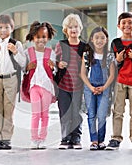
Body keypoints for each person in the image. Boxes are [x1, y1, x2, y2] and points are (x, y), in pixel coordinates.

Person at [106, 12, 132, 151]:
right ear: (119, 26)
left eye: (130, 22)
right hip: (119, 81)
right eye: (123, 23)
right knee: (117, 111)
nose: (127, 25)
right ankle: (115, 138)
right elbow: (111, 64)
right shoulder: (115, 43)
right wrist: (118, 60)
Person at [0, 14, 26, 150]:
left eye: (6, 27)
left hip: (11, 79)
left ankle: (6, 138)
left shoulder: (16, 44)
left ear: (12, 28)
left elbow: (23, 63)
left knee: (9, 109)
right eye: (0, 27)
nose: (3, 30)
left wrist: (15, 52)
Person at [80, 26, 115, 150]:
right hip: (90, 88)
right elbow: (83, 74)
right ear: (91, 39)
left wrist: (104, 87)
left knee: (101, 115)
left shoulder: (110, 55)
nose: (99, 40)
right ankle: (93, 140)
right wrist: (90, 87)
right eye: (97, 38)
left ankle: (101, 140)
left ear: (106, 40)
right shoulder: (87, 55)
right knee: (91, 115)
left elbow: (112, 74)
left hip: (104, 89)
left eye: (102, 38)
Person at [23, 21, 57, 149]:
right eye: (38, 37)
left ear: (48, 38)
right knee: (35, 114)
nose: (41, 40)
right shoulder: (28, 52)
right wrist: (27, 67)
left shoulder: (50, 52)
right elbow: (23, 69)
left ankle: (42, 138)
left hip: (47, 86)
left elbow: (55, 70)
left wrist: (53, 68)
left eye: (44, 37)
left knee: (45, 114)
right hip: (34, 86)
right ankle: (34, 138)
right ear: (33, 38)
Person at [55, 13, 86, 150]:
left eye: (76, 27)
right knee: (65, 112)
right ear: (65, 30)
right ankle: (65, 138)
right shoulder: (61, 45)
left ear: (80, 29)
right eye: (70, 27)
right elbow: (54, 61)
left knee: (76, 112)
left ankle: (76, 137)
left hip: (78, 86)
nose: (73, 30)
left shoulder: (84, 47)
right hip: (63, 85)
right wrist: (58, 64)